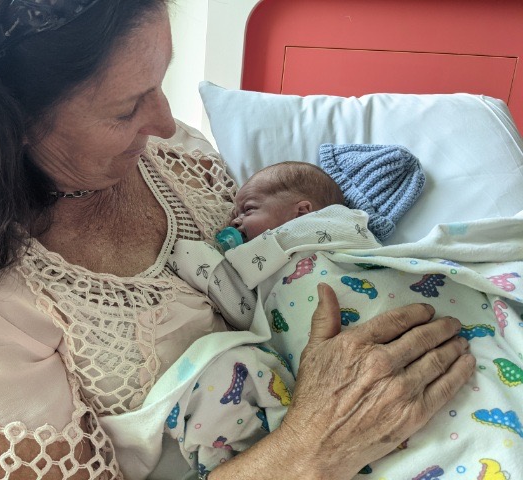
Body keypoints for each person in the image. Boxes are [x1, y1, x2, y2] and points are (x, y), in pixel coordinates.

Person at [0, 1, 477, 479]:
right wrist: (311, 446)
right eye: (125, 109)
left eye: (161, 81)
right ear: (3, 123)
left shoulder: (169, 156)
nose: (167, 123)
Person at [166, 162, 523, 477]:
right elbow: (234, 302)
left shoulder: (331, 228)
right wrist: (198, 262)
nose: (235, 221)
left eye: (248, 208)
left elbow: (329, 233)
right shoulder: (259, 280)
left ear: (301, 211)